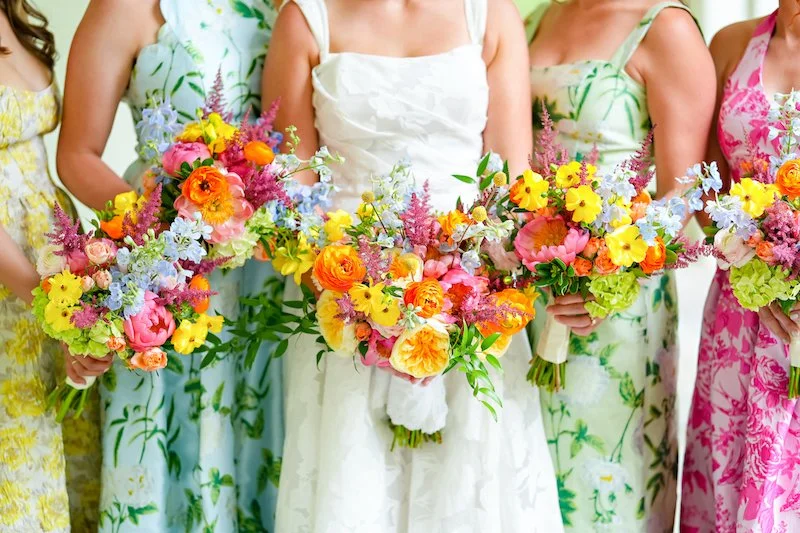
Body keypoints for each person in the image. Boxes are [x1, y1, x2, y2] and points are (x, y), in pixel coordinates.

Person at [262, 0, 563, 531]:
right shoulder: (305, 18)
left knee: (467, 483)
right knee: (354, 481)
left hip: (474, 300)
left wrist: (452, 304)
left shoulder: (491, 15)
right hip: (342, 306)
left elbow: (510, 188)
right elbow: (295, 199)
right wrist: (371, 316)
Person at [56, 0, 282, 530]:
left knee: (259, 429)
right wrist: (164, 231)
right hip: (164, 271)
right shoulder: (125, 7)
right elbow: (76, 154)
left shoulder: (277, 7)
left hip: (260, 268)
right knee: (169, 430)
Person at [526, 1, 715, 530]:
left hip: (616, 301)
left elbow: (684, 194)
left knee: (607, 488)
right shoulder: (538, 17)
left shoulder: (666, 27)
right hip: (529, 286)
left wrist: (603, 276)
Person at [682, 3, 800, 531]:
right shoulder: (731, 44)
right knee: (728, 481)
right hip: (737, 311)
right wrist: (754, 253)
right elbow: (707, 190)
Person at [0, 1, 101, 530]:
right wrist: (52, 307)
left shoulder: (12, 12)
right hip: (12, 279)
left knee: (65, 441)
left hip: (53, 265)